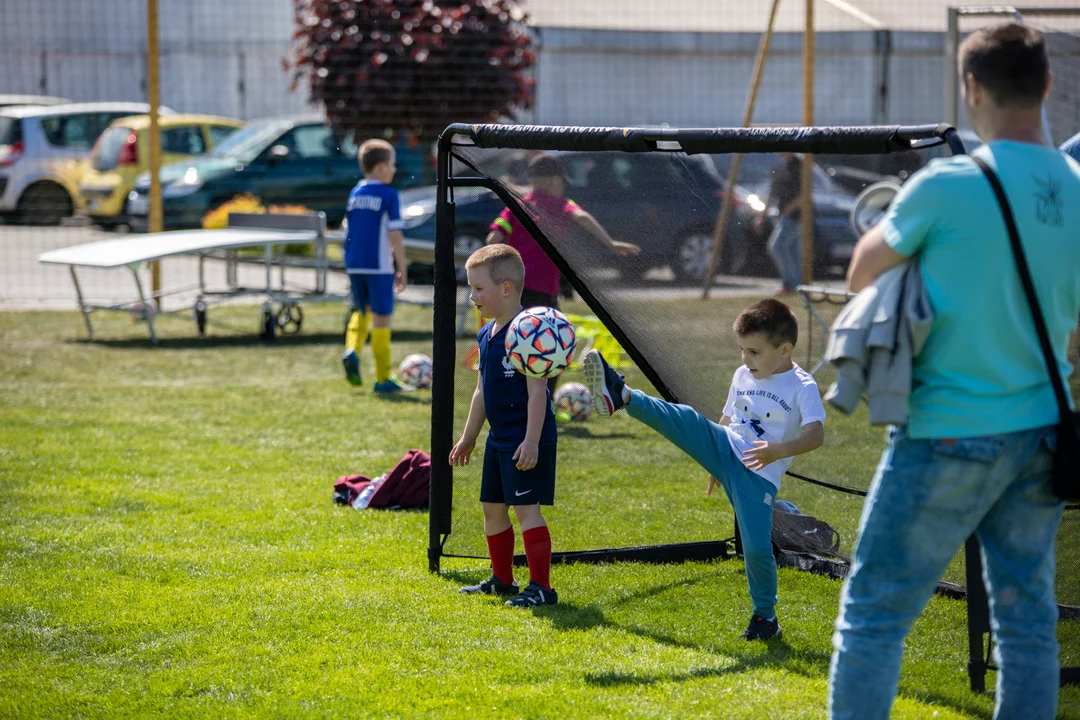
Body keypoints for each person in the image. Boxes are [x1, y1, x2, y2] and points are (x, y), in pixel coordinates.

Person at [829, 23, 1080, 720]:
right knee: (1028, 625)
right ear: (1048, 85)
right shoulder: (1079, 186)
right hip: (1040, 438)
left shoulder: (945, 185)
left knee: (874, 617)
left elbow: (860, 271)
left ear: (971, 87)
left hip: (945, 433)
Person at [583, 299, 827, 641]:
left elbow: (815, 434)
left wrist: (779, 451)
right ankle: (621, 393)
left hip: (759, 475)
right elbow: (727, 418)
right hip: (725, 446)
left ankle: (766, 619)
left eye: (754, 352)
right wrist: (713, 460)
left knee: (757, 550)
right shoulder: (743, 374)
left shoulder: (802, 386)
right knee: (685, 419)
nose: (745, 360)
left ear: (785, 350)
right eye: (742, 350)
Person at [449, 244, 560, 607]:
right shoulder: (486, 334)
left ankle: (541, 587)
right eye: (471, 288)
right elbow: (482, 390)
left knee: (527, 510)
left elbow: (538, 392)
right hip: (499, 440)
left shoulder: (528, 333)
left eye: (479, 289)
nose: (472, 296)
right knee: (492, 507)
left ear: (507, 288)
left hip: (526, 440)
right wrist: (468, 437)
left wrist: (531, 441)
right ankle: (502, 579)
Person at [485, 153, 639, 311]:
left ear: (531, 180)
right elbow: (583, 217)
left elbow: (492, 240)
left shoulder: (515, 206)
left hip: (513, 285)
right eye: (562, 183)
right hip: (543, 287)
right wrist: (610, 243)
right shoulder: (562, 205)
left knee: (516, 331)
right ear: (555, 180)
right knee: (548, 331)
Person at [341, 139, 407, 394]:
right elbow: (395, 235)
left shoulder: (356, 192)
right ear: (380, 167)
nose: (394, 169)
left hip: (355, 264)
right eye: (392, 164)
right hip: (379, 267)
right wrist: (402, 267)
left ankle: (352, 350)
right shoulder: (389, 195)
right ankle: (382, 380)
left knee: (361, 310)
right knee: (382, 319)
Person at [754, 152, 805, 295]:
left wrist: (789, 210)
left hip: (797, 216)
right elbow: (772, 193)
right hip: (783, 215)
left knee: (777, 247)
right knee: (792, 251)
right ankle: (797, 286)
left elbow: (804, 194)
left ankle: (793, 285)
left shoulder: (800, 167)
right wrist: (762, 217)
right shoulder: (781, 167)